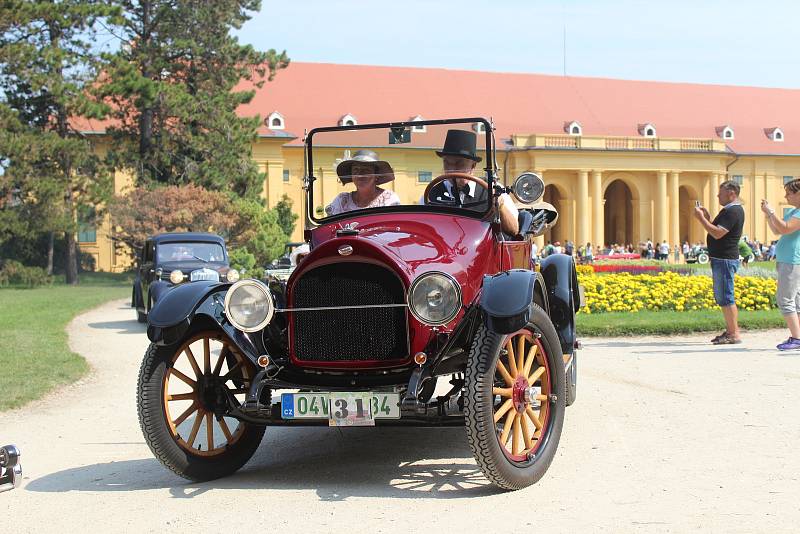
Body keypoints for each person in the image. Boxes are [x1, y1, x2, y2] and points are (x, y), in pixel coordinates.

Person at [425, 129, 519, 235]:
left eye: (459, 163)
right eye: (447, 163)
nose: (451, 169)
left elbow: (513, 230)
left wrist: (500, 205)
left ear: (473, 166)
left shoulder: (493, 190)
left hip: (483, 249)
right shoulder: (431, 193)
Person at [693, 180, 745, 344]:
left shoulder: (733, 211)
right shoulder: (729, 210)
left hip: (724, 259)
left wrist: (702, 219)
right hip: (722, 258)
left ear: (731, 194)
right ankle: (731, 331)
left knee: (726, 297)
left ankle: (733, 333)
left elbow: (717, 233)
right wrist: (708, 218)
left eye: (721, 193)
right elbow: (717, 228)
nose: (717, 196)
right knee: (724, 296)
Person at [762, 178, 800, 350]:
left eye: (789, 193)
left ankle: (796, 338)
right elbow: (777, 229)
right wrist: (768, 215)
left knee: (785, 299)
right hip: (787, 260)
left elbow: (785, 228)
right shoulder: (794, 212)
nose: (785, 197)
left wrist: (771, 213)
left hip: (792, 261)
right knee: (796, 300)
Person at [326, 150, 401, 215]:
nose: (360, 174)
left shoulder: (388, 198)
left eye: (366, 170)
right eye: (356, 170)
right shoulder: (342, 200)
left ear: (376, 176)